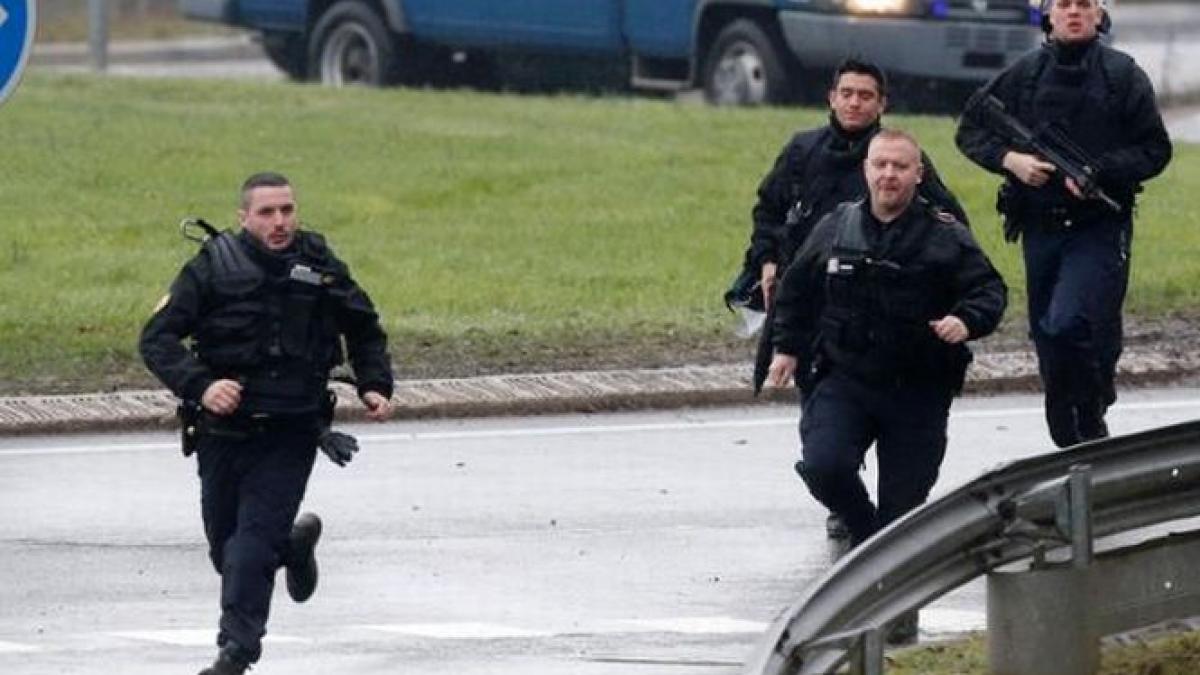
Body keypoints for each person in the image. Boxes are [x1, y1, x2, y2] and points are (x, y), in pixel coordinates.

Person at [139, 172, 396, 675]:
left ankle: (235, 654)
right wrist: (201, 385)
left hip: (291, 430)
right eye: (267, 212)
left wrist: (375, 384)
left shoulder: (319, 265)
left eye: (287, 210)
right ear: (244, 218)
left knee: (250, 549)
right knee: (227, 553)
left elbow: (364, 327)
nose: (279, 222)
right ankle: (293, 547)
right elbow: (158, 340)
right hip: (222, 433)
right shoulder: (212, 267)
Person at [729, 57, 967, 541]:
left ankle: (884, 516)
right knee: (822, 422)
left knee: (897, 436)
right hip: (810, 300)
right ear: (831, 98)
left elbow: (952, 227)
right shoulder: (802, 152)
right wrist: (768, 260)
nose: (855, 102)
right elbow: (769, 211)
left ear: (882, 104)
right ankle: (844, 496)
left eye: (866, 95)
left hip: (881, 313)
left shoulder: (902, 161)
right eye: (847, 93)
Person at [765, 129, 1006, 554]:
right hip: (846, 377)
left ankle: (889, 577)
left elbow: (989, 291)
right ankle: (863, 531)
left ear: (918, 174)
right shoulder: (836, 226)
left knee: (904, 517)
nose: (888, 175)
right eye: (880, 165)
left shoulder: (945, 236)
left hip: (917, 389)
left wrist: (964, 321)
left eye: (900, 166)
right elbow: (796, 291)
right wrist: (786, 348)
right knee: (824, 467)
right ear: (866, 171)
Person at [955, 0, 1172, 447]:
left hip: (1100, 225)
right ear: (1048, 15)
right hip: (1040, 226)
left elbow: (1155, 149)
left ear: (1099, 14)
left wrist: (1102, 171)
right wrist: (1011, 160)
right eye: (1065, 4)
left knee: (1073, 323)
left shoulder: (1122, 75)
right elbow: (970, 129)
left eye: (1085, 4)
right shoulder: (1024, 74)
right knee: (1048, 334)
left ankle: (1090, 406)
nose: (1074, 12)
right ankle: (1068, 420)